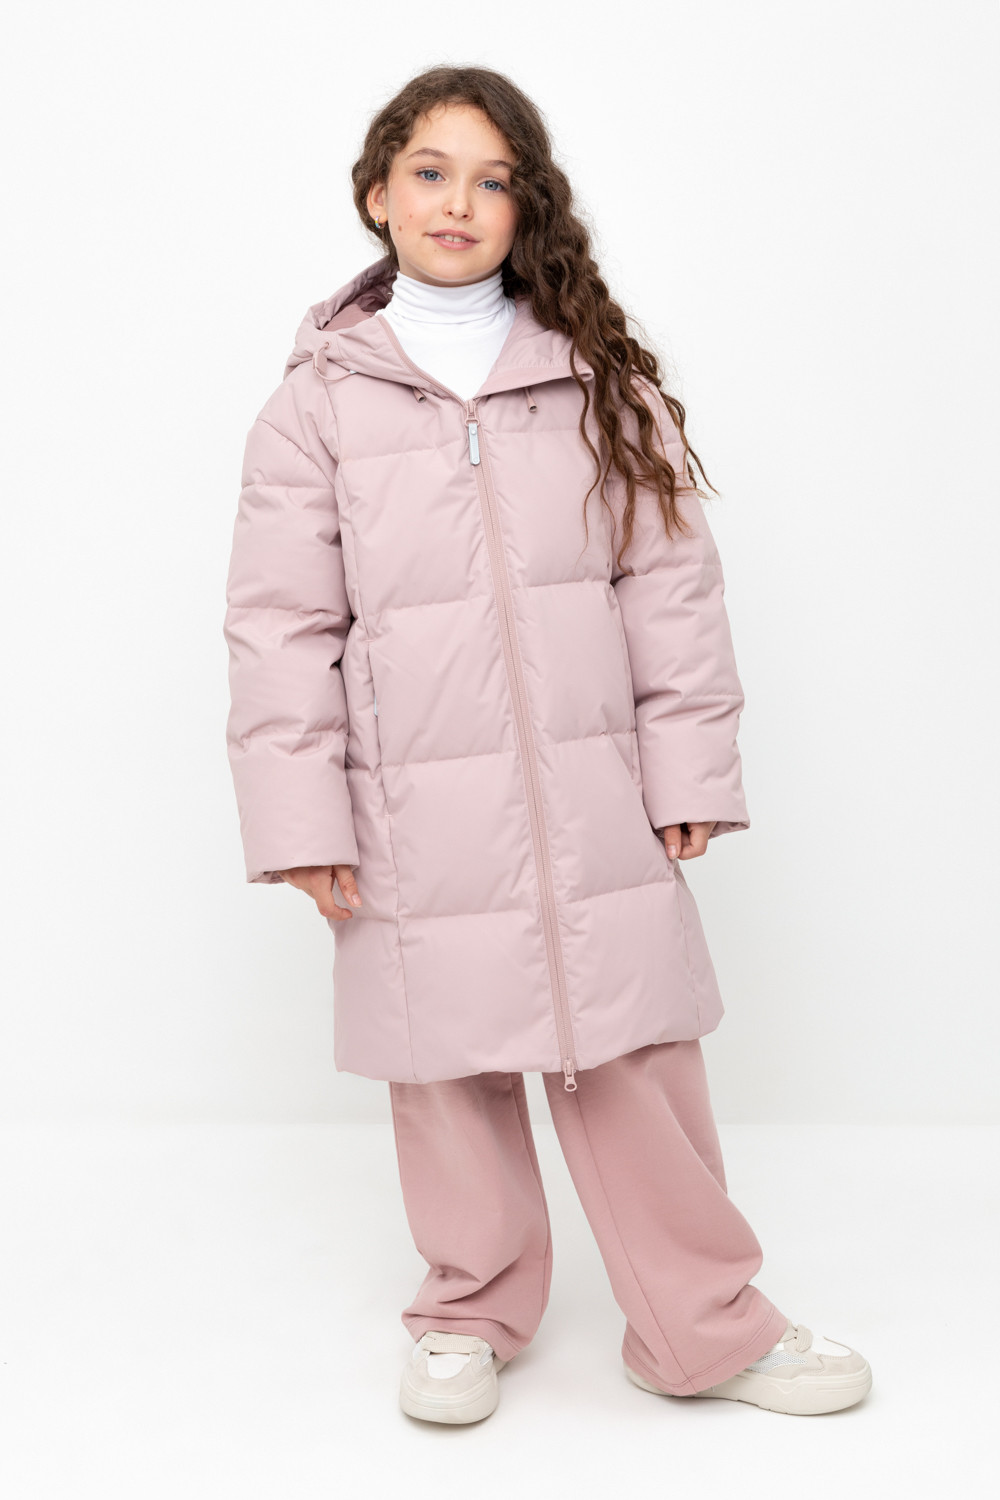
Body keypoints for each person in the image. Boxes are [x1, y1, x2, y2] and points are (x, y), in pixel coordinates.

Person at [222, 64, 872, 1424]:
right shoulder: (316, 407)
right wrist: (302, 821)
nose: (459, 202)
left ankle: (700, 1323)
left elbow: (671, 588)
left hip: (595, 794)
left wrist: (690, 768)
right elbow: (281, 628)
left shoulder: (596, 384)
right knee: (444, 1060)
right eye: (431, 172)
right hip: (409, 806)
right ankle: (468, 1310)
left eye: (494, 179)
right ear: (377, 194)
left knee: (635, 1048)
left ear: (529, 210)